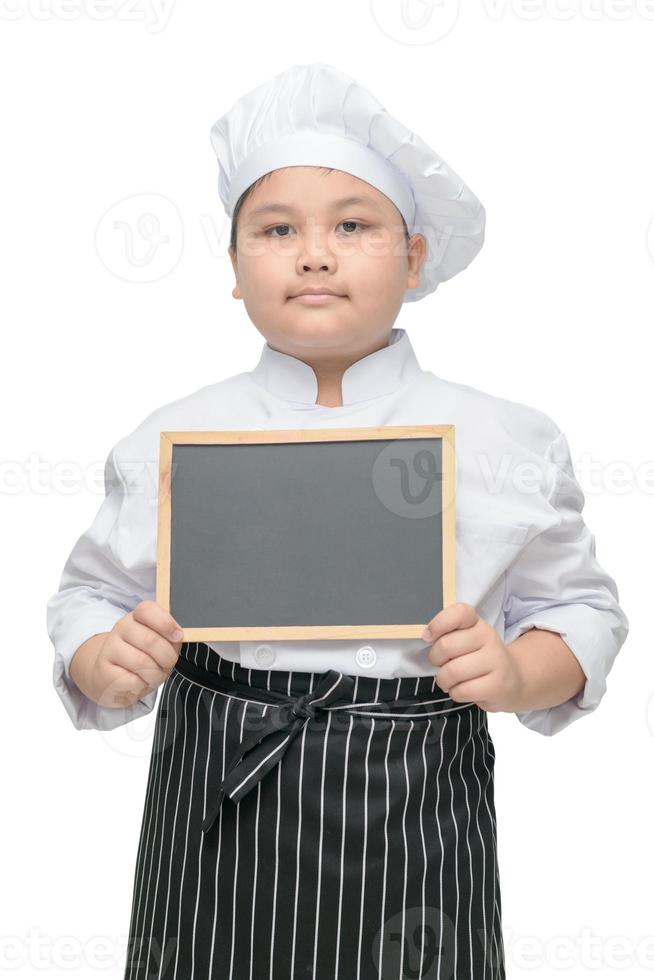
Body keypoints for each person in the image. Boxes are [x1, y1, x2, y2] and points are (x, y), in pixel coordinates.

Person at [46, 62, 629, 980]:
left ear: (415, 256)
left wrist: (518, 672)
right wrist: (101, 659)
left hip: (417, 812)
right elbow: (92, 593)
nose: (314, 254)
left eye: (353, 227)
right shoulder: (172, 437)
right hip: (217, 800)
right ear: (235, 268)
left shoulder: (505, 437)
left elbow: (583, 612)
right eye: (277, 230)